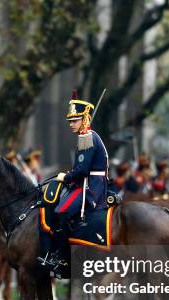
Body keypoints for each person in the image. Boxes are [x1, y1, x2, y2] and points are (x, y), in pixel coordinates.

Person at [38, 90, 109, 274]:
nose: (71, 124)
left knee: (61, 211)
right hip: (86, 182)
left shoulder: (87, 137)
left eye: (75, 120)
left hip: (91, 186)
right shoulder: (86, 136)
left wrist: (66, 177)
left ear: (84, 119)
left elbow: (83, 171)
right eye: (70, 120)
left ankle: (62, 258)